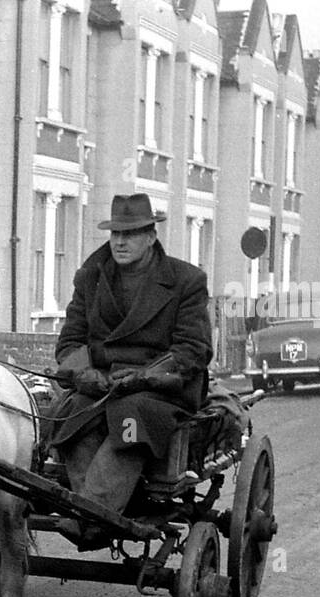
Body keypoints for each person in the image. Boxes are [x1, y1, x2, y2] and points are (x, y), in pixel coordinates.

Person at [46, 193, 213, 550]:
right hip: (101, 384)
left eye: (131, 233)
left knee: (130, 418)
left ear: (151, 236)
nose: (120, 242)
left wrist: (142, 377)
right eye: (115, 234)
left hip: (160, 389)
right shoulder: (90, 276)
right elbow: (70, 340)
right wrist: (83, 373)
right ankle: (95, 514)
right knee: (71, 416)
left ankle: (90, 519)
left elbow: (192, 351)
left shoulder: (186, 281)